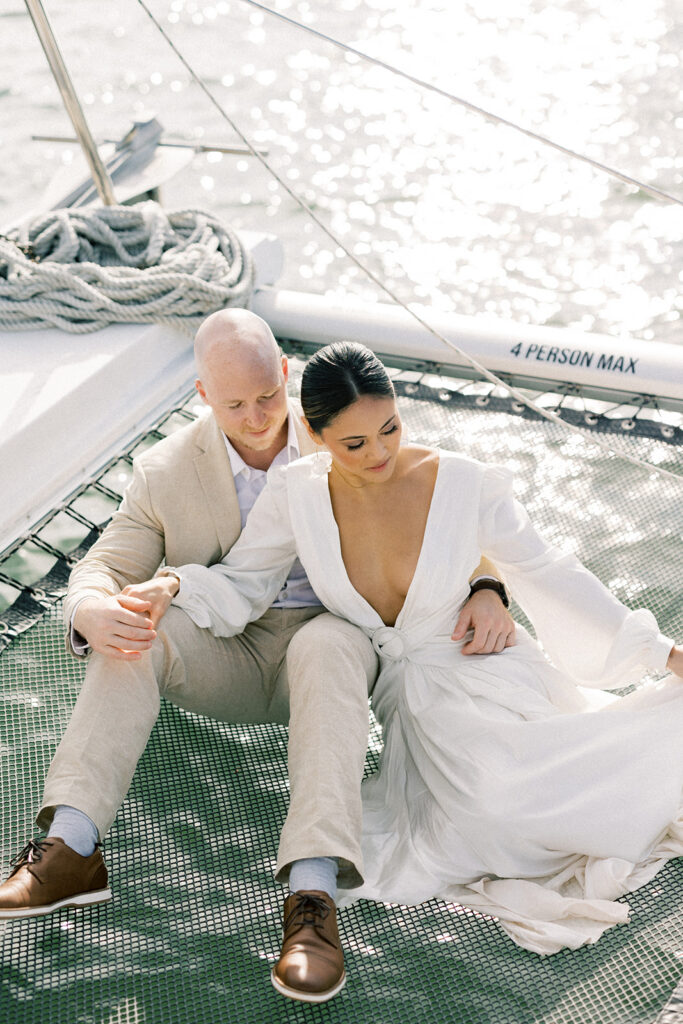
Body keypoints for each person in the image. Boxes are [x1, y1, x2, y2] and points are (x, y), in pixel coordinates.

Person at [145, 340, 681, 1003]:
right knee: (482, 810)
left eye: (389, 428)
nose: (377, 454)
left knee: (513, 790)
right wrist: (173, 586)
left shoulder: (463, 481)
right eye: (353, 443)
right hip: (412, 699)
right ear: (311, 433)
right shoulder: (298, 495)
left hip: (488, 665)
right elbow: (244, 582)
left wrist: (663, 654)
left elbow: (547, 570)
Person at [0, 312, 511, 931]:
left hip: (335, 648)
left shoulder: (348, 430)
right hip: (226, 649)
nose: (256, 417)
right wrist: (90, 609)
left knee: (327, 643)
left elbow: (440, 508)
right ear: (203, 396)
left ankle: (313, 893)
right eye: (235, 403)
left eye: (269, 396)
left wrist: (487, 585)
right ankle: (72, 850)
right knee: (135, 626)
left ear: (287, 375)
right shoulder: (162, 472)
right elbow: (105, 564)